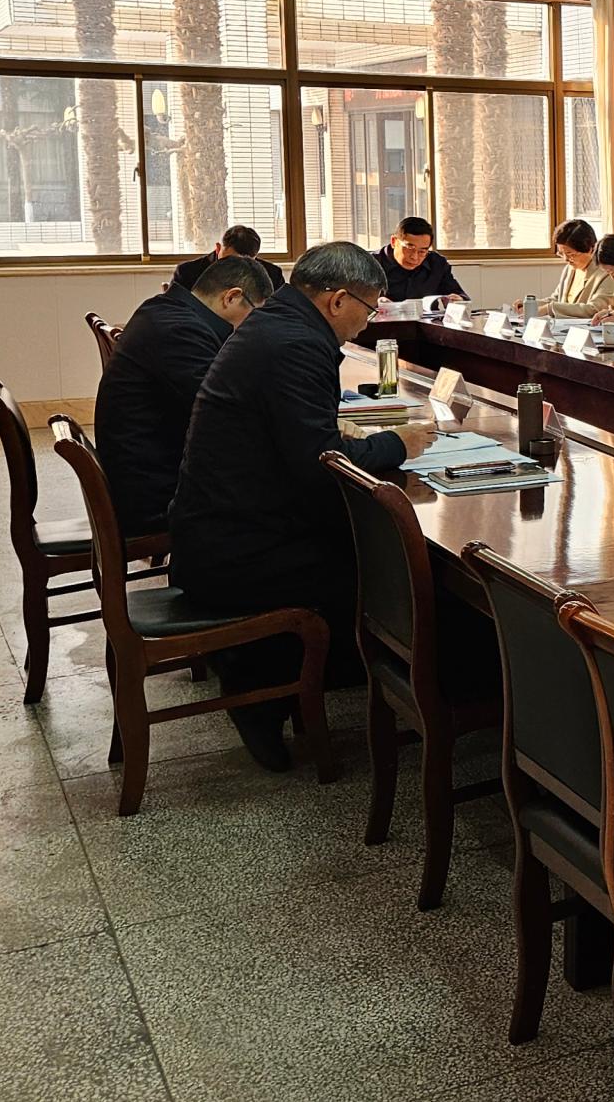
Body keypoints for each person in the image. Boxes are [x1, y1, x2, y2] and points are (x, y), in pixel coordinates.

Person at [170, 242, 433, 770]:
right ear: (338, 301)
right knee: (393, 567)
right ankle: (262, 694)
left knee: (375, 551)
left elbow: (299, 436)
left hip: (221, 526)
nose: (368, 321)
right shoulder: (295, 343)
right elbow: (319, 463)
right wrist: (398, 444)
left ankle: (326, 677)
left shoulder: (277, 324)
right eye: (369, 308)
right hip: (240, 550)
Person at [95, 256, 268, 536]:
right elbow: (223, 414)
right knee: (287, 497)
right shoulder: (181, 331)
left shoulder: (164, 310)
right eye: (255, 315)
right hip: (153, 495)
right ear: (232, 297)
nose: (253, 328)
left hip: (146, 472)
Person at [169, 224, 279, 297]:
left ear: (255, 257)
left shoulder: (272, 274)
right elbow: (173, 309)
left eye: (246, 262)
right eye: (230, 260)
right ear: (218, 248)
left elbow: (281, 311)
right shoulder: (187, 272)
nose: (236, 267)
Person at [375, 216, 464, 302]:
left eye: (422, 251)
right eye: (410, 248)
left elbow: (458, 294)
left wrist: (457, 300)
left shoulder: (437, 263)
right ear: (394, 242)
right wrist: (375, 305)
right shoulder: (371, 264)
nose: (414, 257)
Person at [547, 219, 611, 312]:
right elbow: (556, 299)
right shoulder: (569, 269)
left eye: (571, 254)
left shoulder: (606, 273)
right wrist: (530, 304)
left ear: (590, 249)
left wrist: (550, 308)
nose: (565, 259)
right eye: (561, 253)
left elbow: (595, 308)